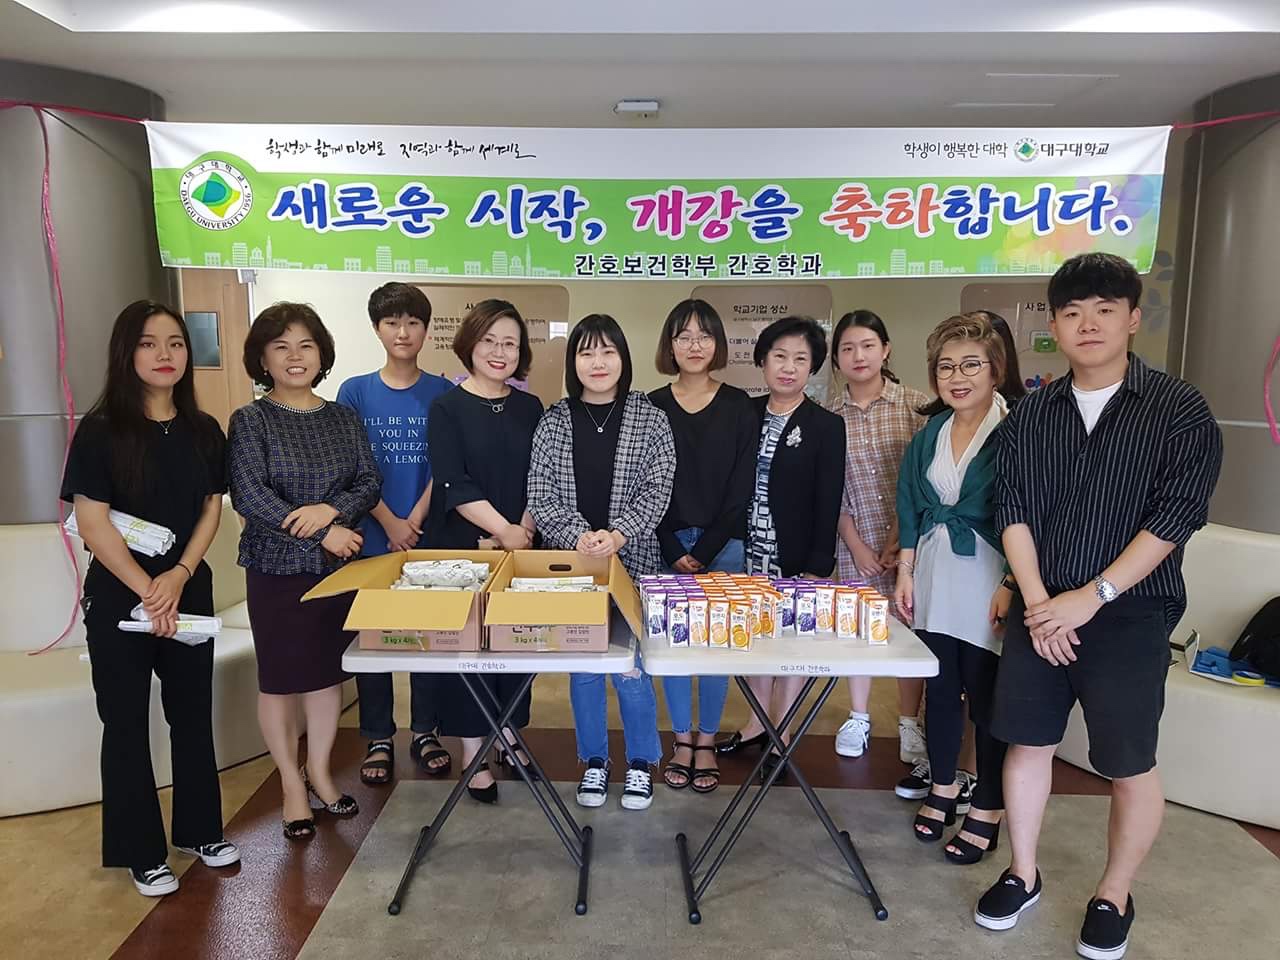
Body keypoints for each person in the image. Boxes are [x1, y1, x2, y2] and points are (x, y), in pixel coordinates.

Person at [975, 254, 1222, 960]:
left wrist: (1091, 597)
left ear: (1133, 318)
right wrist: (1040, 602)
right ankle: (1023, 873)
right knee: (1027, 742)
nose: (1088, 324)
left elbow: (1176, 516)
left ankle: (1114, 892)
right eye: (1073, 312)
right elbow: (1012, 510)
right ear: (1054, 326)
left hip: (1131, 613)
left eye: (1105, 310)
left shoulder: (1178, 408)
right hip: (1041, 611)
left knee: (1128, 760)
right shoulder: (1031, 414)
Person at [61, 300, 238, 897]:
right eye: (148, 343)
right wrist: (148, 589)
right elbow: (92, 522)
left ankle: (200, 831)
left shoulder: (203, 429)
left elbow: (212, 507)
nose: (165, 355)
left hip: (187, 587)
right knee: (125, 722)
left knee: (191, 713)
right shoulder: (101, 429)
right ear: (126, 352)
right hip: (119, 597)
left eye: (176, 343)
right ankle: (142, 851)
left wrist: (180, 574)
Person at [228, 302, 382, 841]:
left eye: (306, 345)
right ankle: (291, 785)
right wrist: (322, 531)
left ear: (321, 355)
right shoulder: (251, 420)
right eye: (281, 346)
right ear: (263, 358)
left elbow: (369, 482)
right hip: (276, 569)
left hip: (335, 570)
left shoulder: (343, 417)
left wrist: (331, 511)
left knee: (325, 674)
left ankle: (319, 770)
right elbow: (250, 495)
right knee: (279, 680)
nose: (295, 357)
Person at [528, 314, 676, 812]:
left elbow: (659, 487)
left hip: (633, 559)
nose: (597, 362)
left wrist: (616, 534)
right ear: (573, 362)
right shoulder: (554, 420)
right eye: (586, 352)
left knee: (632, 667)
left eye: (607, 351)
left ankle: (640, 762)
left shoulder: (649, 417)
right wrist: (580, 536)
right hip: (572, 564)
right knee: (584, 667)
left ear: (623, 359)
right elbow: (540, 493)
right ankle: (594, 759)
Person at [894, 313, 1011, 865]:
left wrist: (1012, 582)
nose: (957, 377)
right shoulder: (929, 435)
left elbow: (1032, 513)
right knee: (939, 689)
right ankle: (943, 786)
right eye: (945, 367)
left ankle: (986, 802)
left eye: (970, 365)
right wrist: (906, 570)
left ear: (995, 371)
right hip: (936, 571)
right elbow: (909, 503)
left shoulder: (1016, 432)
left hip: (992, 574)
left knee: (986, 695)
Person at [714, 316, 845, 783]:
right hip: (743, 549)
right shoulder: (742, 413)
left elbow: (829, 499)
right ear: (763, 360)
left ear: (813, 367)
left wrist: (818, 564)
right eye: (780, 357)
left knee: (790, 643)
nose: (789, 367)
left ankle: (782, 730)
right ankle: (755, 723)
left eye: (800, 359)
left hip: (794, 555)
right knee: (752, 639)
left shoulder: (826, 425)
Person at [425, 299, 544, 803]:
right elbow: (452, 481)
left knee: (517, 641)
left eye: (510, 343)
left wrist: (522, 530)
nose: (499, 351)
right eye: (489, 340)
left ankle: (509, 734)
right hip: (462, 547)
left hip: (522, 544)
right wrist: (501, 530)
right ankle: (474, 750)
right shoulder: (446, 407)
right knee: (469, 648)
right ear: (469, 345)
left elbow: (542, 476)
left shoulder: (531, 408)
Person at [336, 283, 453, 787]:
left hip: (427, 537)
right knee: (374, 642)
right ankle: (378, 736)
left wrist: (415, 517)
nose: (402, 332)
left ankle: (426, 730)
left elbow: (445, 466)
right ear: (376, 328)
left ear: (426, 329)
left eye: (412, 322)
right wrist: (387, 520)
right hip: (370, 536)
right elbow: (348, 465)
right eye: (391, 322)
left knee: (427, 639)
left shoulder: (443, 392)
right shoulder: (355, 392)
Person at [649, 299, 756, 794]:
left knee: (715, 648)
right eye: (684, 336)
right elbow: (642, 482)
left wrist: (708, 546)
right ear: (669, 345)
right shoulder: (650, 405)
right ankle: (681, 738)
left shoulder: (739, 405)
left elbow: (742, 484)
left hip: (725, 544)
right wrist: (671, 543)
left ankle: (707, 739)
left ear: (718, 344)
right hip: (663, 542)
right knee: (674, 647)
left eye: (704, 335)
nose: (694, 345)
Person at [825, 309, 930, 765]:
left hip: (910, 544)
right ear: (836, 359)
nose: (858, 356)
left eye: (868, 345)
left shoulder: (918, 406)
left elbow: (925, 479)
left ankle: (909, 721)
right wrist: (856, 544)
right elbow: (827, 489)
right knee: (859, 631)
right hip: (854, 542)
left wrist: (897, 539)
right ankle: (859, 716)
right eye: (847, 348)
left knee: (910, 629)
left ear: (885, 350)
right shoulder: (828, 416)